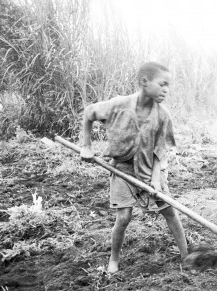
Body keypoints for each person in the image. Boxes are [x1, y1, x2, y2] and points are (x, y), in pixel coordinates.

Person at [80, 62, 188, 273]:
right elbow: (88, 113)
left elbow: (160, 151)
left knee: (169, 211)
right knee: (124, 217)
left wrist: (156, 179)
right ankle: (114, 260)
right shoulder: (118, 105)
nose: (166, 89)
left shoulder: (163, 115)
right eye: (162, 84)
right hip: (122, 168)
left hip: (151, 169)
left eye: (169, 85)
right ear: (144, 82)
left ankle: (186, 256)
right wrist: (86, 146)